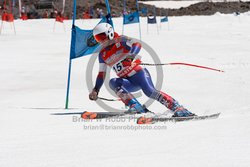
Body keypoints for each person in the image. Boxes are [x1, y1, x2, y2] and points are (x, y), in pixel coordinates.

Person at [89, 23, 195, 117]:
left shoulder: (121, 40)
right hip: (128, 82)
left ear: (110, 33)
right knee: (113, 82)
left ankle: (178, 108)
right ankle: (136, 107)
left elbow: (137, 44)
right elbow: (101, 74)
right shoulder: (102, 54)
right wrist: (96, 90)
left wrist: (131, 56)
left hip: (139, 74)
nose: (101, 41)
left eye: (102, 37)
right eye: (98, 39)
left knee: (150, 92)